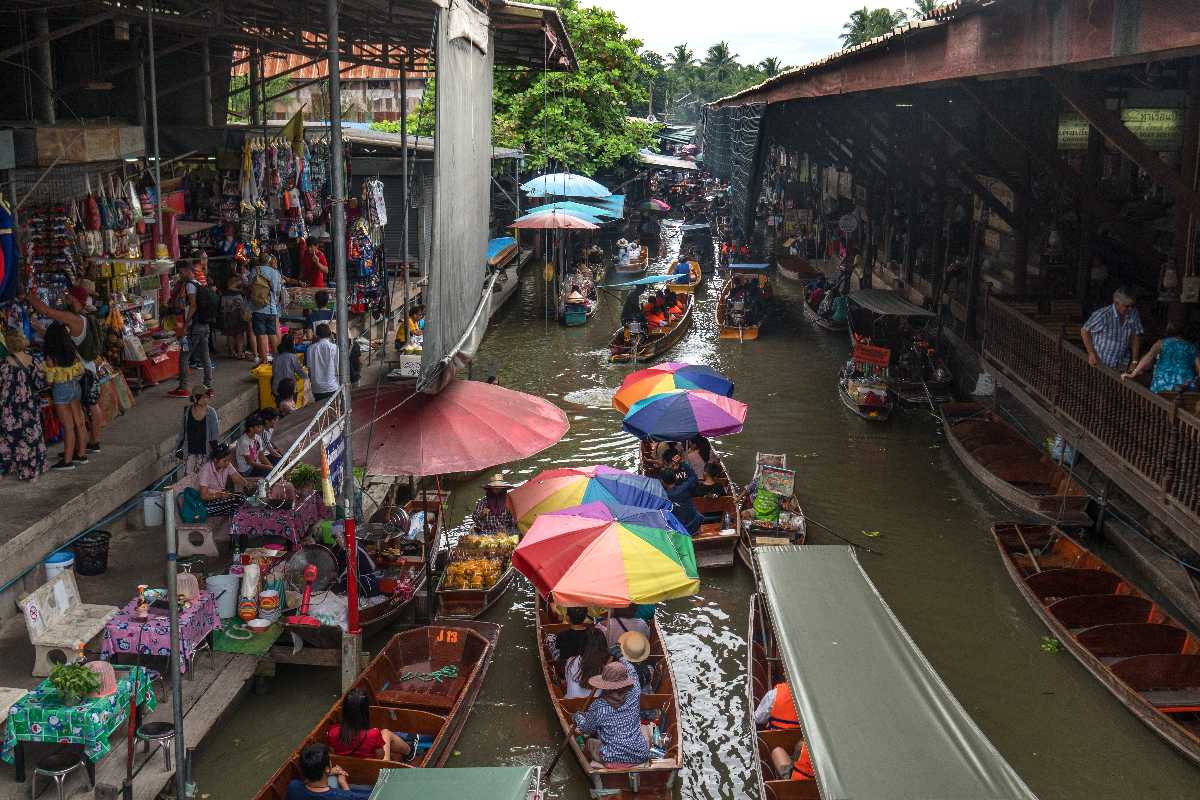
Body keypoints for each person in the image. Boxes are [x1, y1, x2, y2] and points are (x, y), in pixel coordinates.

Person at [26, 284, 105, 452]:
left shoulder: (74, 318)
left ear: (75, 299)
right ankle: (85, 446)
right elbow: (54, 336)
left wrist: (28, 296)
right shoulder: (84, 316)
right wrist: (35, 326)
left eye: (69, 296)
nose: (65, 298)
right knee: (86, 409)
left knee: (84, 411)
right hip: (87, 369)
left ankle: (90, 444)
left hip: (80, 371)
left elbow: (47, 311)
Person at [572, 662, 652, 768]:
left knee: (590, 742)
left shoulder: (599, 706)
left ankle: (588, 767)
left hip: (612, 758)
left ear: (606, 686)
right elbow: (633, 672)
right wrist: (620, 655)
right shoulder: (635, 692)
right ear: (625, 683)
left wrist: (577, 717)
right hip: (640, 755)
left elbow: (586, 729)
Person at [0, 328, 48, 480]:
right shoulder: (33, 360)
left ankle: (11, 465)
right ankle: (31, 470)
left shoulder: (3, 364)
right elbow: (41, 384)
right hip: (29, 405)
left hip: (8, 407)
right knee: (31, 436)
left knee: (11, 436)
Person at [42, 322, 88, 470]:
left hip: (61, 390)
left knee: (68, 426)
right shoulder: (71, 350)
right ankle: (81, 454)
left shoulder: (51, 357)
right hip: (75, 387)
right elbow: (80, 370)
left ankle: (67, 461)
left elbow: (50, 382)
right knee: (79, 422)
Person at [326, 689, 413, 762]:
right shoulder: (373, 734)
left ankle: (407, 750)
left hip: (348, 768)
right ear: (365, 711)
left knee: (390, 747)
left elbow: (334, 753)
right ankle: (409, 751)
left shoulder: (332, 732)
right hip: (373, 771)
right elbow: (380, 756)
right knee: (386, 733)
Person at [172, 260, 218, 397]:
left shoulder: (190, 286)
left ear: (187, 270)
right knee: (205, 357)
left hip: (195, 326)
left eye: (181, 272)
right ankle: (208, 386)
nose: (180, 275)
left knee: (184, 357)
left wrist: (186, 325)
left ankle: (183, 388)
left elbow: (193, 305)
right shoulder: (199, 284)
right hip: (205, 325)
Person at [1122, 321, 1199, 394]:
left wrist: (1133, 374)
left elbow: (1148, 358)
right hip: (1184, 390)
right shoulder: (1192, 348)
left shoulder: (1161, 343)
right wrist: (1192, 383)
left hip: (1161, 387)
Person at [1081, 287, 1143, 370]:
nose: (1130, 309)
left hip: (1122, 363)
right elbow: (1084, 330)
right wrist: (1091, 353)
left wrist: (1134, 361)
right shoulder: (1103, 315)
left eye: (1132, 305)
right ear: (1116, 303)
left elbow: (1135, 336)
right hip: (1100, 362)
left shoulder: (1134, 313)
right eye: (1127, 306)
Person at [286, 743, 370, 800]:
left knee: (333, 779)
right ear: (326, 768)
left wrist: (329, 772)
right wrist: (343, 783)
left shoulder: (293, 786)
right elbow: (349, 797)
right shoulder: (340, 796)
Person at [195, 443, 253, 517]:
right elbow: (204, 496)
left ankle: (242, 522)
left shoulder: (227, 465)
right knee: (239, 501)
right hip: (206, 505)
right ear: (215, 459)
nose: (227, 463)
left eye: (229, 460)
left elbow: (236, 477)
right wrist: (220, 495)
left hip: (219, 499)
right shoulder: (206, 470)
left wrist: (246, 483)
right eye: (224, 461)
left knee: (241, 498)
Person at [176, 387, 219, 476]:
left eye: (207, 397)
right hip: (190, 451)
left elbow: (214, 436)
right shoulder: (187, 411)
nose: (206, 400)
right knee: (188, 479)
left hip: (205, 452)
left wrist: (215, 454)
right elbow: (183, 432)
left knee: (203, 478)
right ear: (195, 398)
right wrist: (178, 449)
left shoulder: (211, 412)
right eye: (203, 397)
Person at [249, 255, 284, 364]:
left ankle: (264, 360)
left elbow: (250, 287)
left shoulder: (255, 270)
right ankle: (277, 358)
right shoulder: (275, 273)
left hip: (257, 308)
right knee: (272, 333)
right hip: (271, 309)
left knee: (261, 334)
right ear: (269, 261)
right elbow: (278, 292)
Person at [563, 627, 609, 700]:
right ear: (603, 645)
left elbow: (567, 681)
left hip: (570, 704)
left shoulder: (571, 661)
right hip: (595, 706)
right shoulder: (607, 666)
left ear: (582, 643)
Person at [660, 466, 703, 534]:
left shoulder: (661, 497)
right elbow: (693, 477)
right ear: (676, 478)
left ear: (662, 481)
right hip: (694, 527)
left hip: (678, 531)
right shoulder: (685, 487)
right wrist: (683, 464)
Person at [308, 324, 340, 401]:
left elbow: (309, 368)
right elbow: (337, 366)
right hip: (331, 387)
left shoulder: (310, 348)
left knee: (320, 411)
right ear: (330, 334)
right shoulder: (334, 347)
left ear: (316, 334)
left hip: (317, 388)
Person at [219, 274, 248, 358]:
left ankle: (232, 352)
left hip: (226, 307)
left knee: (230, 332)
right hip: (236, 306)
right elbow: (230, 287)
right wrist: (240, 288)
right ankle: (239, 353)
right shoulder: (237, 279)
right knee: (239, 331)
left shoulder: (224, 291)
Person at [272, 334, 306, 403]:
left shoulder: (276, 356)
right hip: (289, 389)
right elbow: (300, 371)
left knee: (281, 409)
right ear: (291, 343)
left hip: (277, 388)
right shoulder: (292, 357)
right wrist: (307, 377)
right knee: (291, 410)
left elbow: (274, 372)